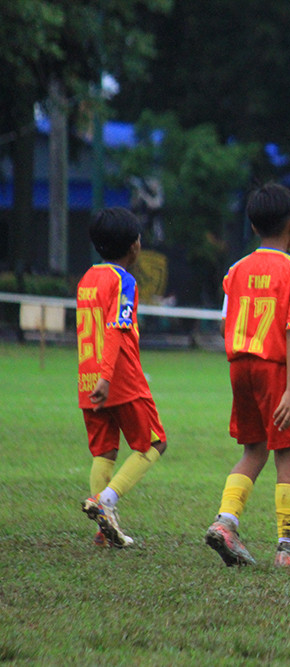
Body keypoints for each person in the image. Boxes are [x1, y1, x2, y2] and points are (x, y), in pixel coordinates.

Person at [205, 183, 290, 567]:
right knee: (288, 454)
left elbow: (224, 324)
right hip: (274, 369)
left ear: (252, 227)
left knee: (254, 449)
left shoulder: (235, 270)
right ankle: (287, 548)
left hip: (240, 366)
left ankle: (226, 521)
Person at [78, 207, 168, 548]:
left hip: (87, 379)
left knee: (104, 452)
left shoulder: (86, 278)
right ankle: (106, 502)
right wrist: (107, 376)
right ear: (134, 246)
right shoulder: (123, 281)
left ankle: (104, 529)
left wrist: (95, 377)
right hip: (119, 378)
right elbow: (117, 327)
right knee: (155, 442)